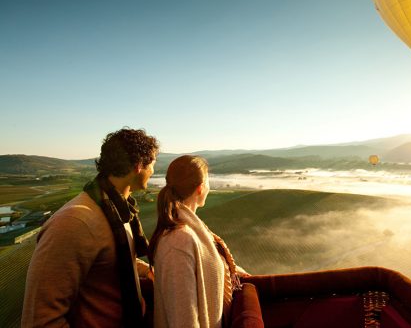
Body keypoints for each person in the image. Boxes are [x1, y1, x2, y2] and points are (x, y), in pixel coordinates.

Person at [22, 128, 159, 328]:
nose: (153, 171)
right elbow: (40, 319)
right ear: (138, 166)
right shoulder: (74, 222)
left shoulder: (116, 208)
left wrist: (146, 270)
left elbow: (107, 260)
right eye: (153, 165)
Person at [148, 155, 248, 328]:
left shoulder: (193, 231)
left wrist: (235, 271)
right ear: (200, 188)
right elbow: (183, 320)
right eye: (208, 181)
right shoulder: (178, 241)